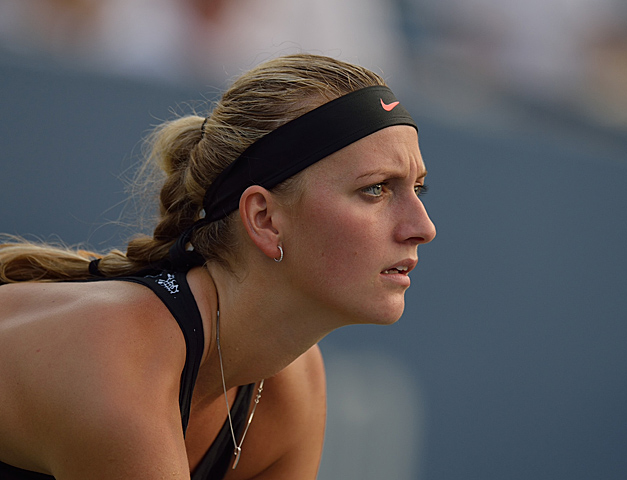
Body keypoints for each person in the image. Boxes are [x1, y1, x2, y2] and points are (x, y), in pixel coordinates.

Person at [0, 53, 436, 479]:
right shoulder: (120, 358)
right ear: (265, 220)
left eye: (418, 188)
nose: (423, 227)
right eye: (376, 188)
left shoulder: (292, 383)